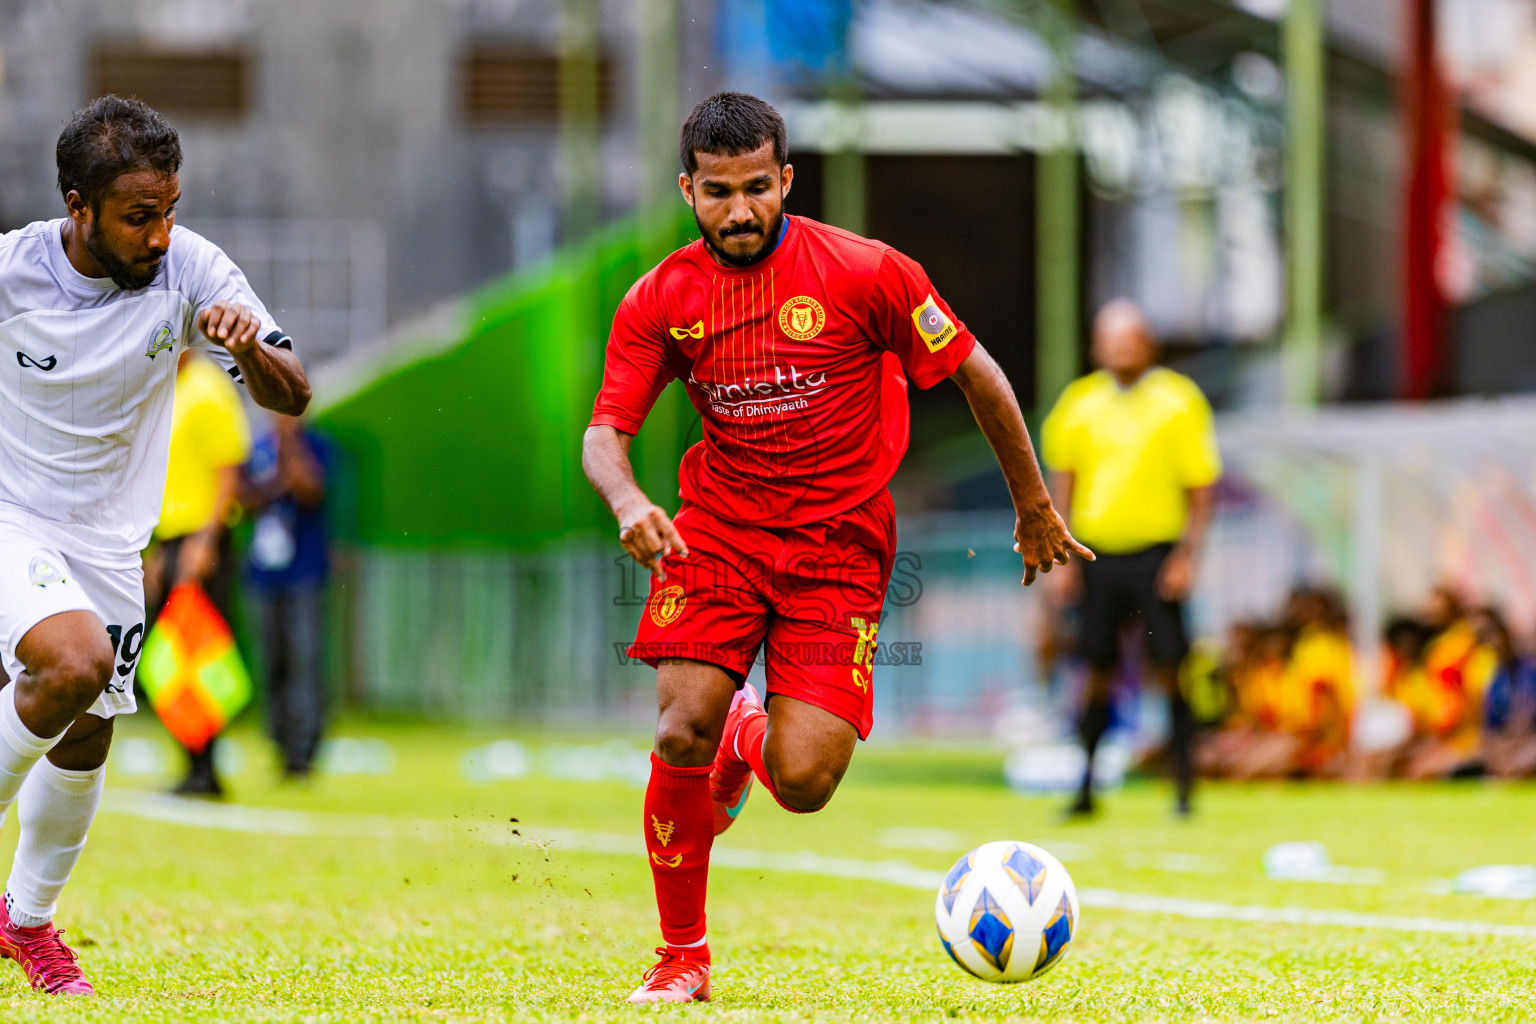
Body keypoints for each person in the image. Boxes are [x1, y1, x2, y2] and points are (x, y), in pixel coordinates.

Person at [581, 92, 1090, 1004]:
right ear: (687, 190)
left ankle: (751, 730)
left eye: (756, 189)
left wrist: (1033, 502)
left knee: (805, 780)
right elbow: (603, 432)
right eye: (717, 193)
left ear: (786, 180)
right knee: (677, 726)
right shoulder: (661, 297)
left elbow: (976, 369)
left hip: (839, 547)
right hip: (720, 534)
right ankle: (682, 957)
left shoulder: (867, 273)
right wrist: (628, 502)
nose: (740, 212)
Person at [0, 96, 308, 994]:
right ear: (78, 206)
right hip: (12, 514)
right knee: (71, 663)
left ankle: (27, 922)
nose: (162, 235)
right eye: (140, 217)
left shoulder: (194, 269)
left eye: (170, 210)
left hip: (108, 540)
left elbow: (292, 393)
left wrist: (248, 349)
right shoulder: (12, 273)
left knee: (85, 735)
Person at [1041, 299, 1220, 817]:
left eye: (1131, 339)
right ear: (1097, 346)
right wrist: (1064, 559)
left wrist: (1188, 556)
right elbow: (1062, 485)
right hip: (1096, 555)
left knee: (1171, 668)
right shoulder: (1078, 403)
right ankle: (1085, 788)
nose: (1121, 349)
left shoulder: (1179, 400)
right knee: (1093, 669)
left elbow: (1201, 486)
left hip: (1157, 556)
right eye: (1112, 340)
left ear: (1148, 344)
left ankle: (1184, 787)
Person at [146, 347, 252, 797]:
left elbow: (229, 475)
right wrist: (155, 550)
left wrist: (204, 541)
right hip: (173, 538)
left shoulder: (209, 389)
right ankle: (192, 765)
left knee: (200, 656)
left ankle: (206, 767)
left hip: (201, 540)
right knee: (173, 657)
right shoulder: (170, 390)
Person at [242, 415, 332, 778]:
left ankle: (304, 751)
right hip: (264, 573)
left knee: (304, 661)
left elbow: (312, 488)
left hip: (304, 572)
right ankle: (279, 742)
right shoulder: (257, 447)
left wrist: (288, 446)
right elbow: (244, 499)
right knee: (272, 660)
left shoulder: (318, 445)